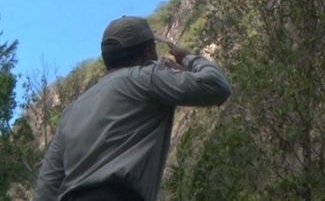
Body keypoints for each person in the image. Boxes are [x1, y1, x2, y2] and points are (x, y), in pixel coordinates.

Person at [33, 16, 231, 201]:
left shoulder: (71, 112)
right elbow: (216, 86)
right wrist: (187, 57)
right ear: (147, 53)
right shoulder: (144, 78)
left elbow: (46, 187)